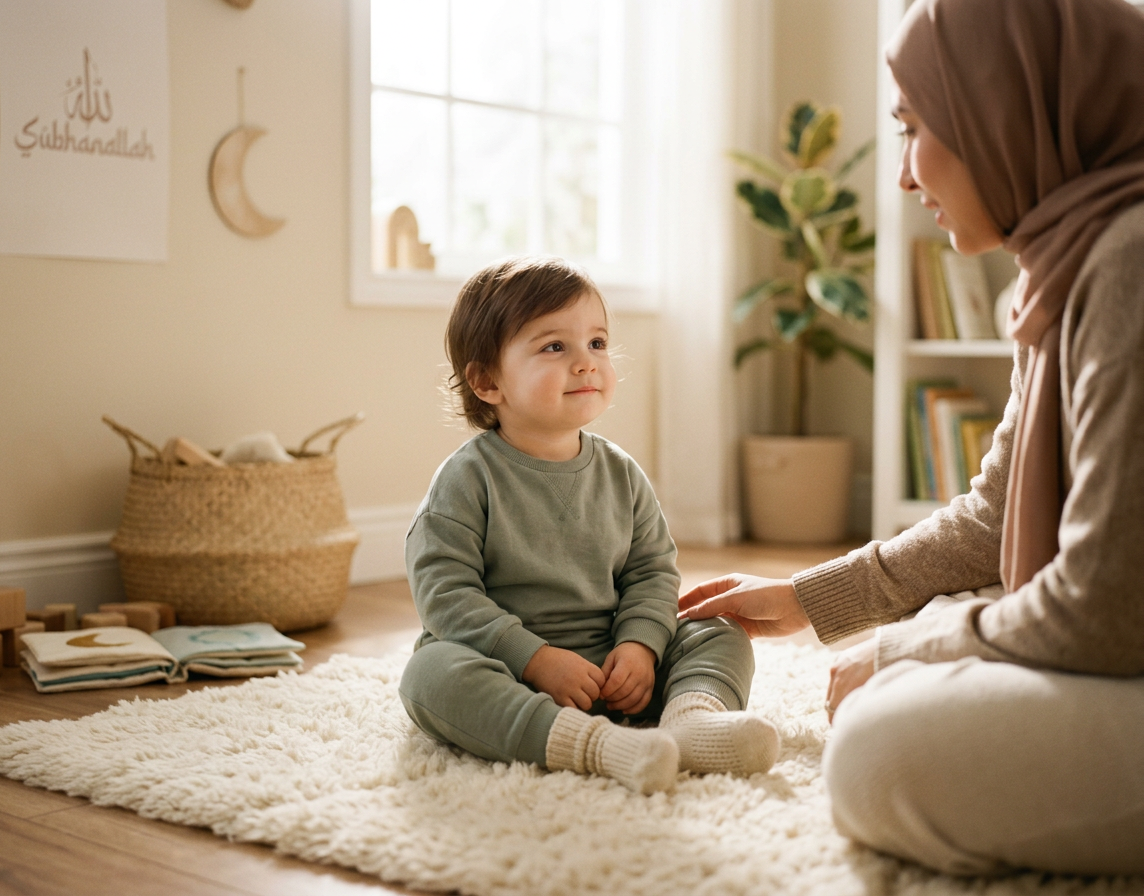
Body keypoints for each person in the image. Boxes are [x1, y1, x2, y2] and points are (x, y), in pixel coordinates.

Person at [679, 0, 1144, 876]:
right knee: (927, 640)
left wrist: (898, 647)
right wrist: (812, 599)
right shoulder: (1071, 261)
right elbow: (993, 519)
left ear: (1004, 114)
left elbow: (1103, 613)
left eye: (915, 129)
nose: (901, 176)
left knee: (879, 752)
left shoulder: (1130, 261)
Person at [399, 256, 780, 795]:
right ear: (487, 382)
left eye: (597, 343)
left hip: (618, 663)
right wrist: (534, 659)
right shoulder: (467, 480)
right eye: (555, 347)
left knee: (719, 629)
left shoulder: (621, 472)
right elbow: (445, 595)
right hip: (512, 671)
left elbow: (652, 571)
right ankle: (591, 745)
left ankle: (691, 722)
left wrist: (642, 646)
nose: (586, 363)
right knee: (430, 675)